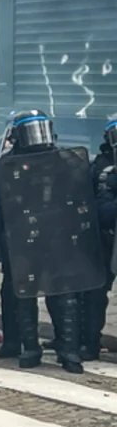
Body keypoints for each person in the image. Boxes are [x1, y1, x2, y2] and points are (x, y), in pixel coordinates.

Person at [0, 109, 96, 374]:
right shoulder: (7, 164)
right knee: (22, 294)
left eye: (42, 129)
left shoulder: (64, 161)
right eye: (31, 131)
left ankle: (68, 350)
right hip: (21, 238)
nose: (38, 138)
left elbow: (81, 198)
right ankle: (29, 347)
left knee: (64, 294)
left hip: (57, 236)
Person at [86, 115, 117, 361]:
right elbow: (100, 211)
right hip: (107, 240)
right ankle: (90, 340)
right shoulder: (102, 166)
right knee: (97, 293)